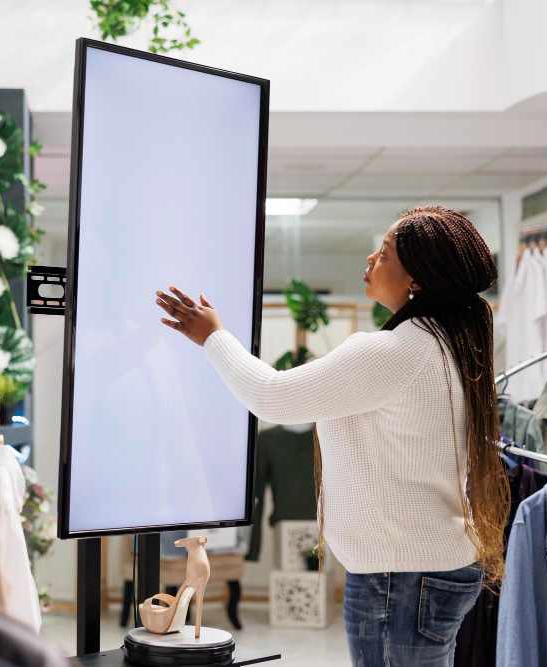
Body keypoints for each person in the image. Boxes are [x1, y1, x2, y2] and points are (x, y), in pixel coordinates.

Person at [155, 205, 509, 666]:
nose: (369, 260)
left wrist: (214, 337)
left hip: (400, 576)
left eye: (384, 254)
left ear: (416, 280)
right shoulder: (446, 345)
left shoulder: (393, 352)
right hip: (423, 568)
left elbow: (272, 396)